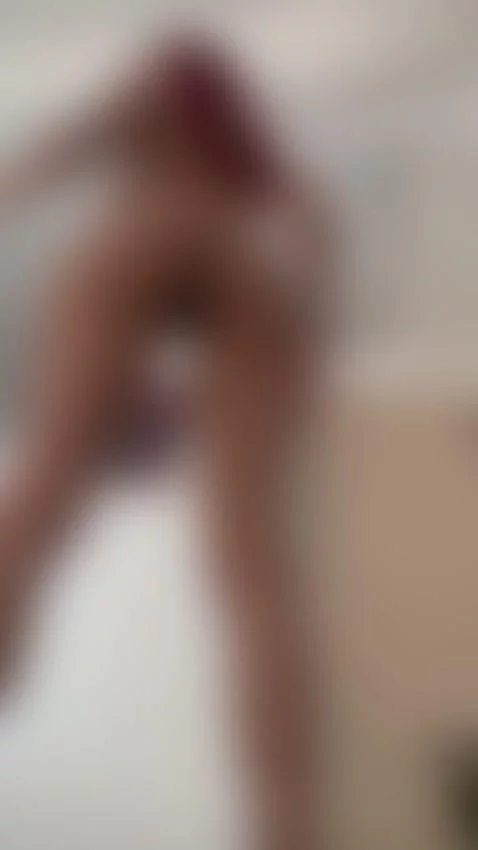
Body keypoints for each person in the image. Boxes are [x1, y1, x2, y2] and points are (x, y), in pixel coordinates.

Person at [0, 33, 333, 850]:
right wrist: (294, 357)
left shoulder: (150, 83)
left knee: (33, 515)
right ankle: (287, 826)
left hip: (145, 229)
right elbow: (311, 229)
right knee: (255, 573)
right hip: (246, 260)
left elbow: (48, 158)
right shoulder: (247, 144)